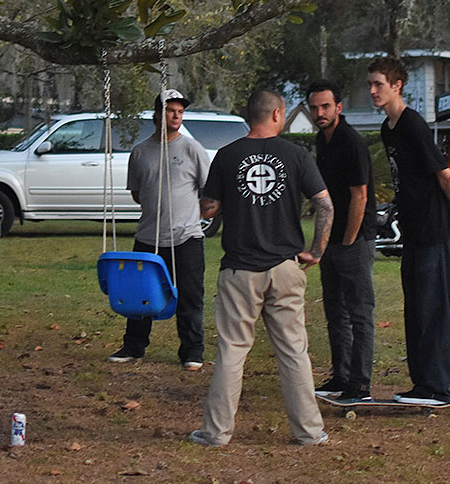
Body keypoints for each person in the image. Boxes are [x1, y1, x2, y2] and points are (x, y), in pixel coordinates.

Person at [189, 89, 334, 448]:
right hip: (285, 267)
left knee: (232, 351)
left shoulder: (226, 155)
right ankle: (309, 432)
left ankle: (216, 433)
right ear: (277, 115)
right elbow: (325, 205)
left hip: (239, 270)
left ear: (250, 116)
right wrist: (315, 251)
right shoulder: (296, 154)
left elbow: (208, 209)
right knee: (293, 351)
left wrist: (220, 200)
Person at [369, 57, 450, 407]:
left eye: (378, 84)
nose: (372, 90)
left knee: (432, 309)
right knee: (415, 310)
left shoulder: (413, 124)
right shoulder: (388, 128)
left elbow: (446, 176)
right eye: (370, 84)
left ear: (397, 85)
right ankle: (421, 385)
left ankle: (438, 388)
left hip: (433, 230)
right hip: (412, 232)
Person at [108, 88, 209, 370]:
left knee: (190, 296)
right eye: (170, 110)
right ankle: (134, 346)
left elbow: (208, 190)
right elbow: (137, 193)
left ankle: (192, 351)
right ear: (157, 114)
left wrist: (195, 215)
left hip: (187, 237)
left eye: (180, 111)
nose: (176, 116)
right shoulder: (140, 151)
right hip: (148, 237)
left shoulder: (192, 149)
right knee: (140, 294)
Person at [307, 80, 376, 402]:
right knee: (335, 313)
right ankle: (341, 377)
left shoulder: (351, 142)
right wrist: (323, 244)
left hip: (355, 240)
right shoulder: (323, 140)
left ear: (339, 107)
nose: (320, 113)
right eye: (314, 107)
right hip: (332, 242)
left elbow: (359, 195)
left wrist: (348, 242)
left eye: (325, 106)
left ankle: (359, 384)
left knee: (359, 313)